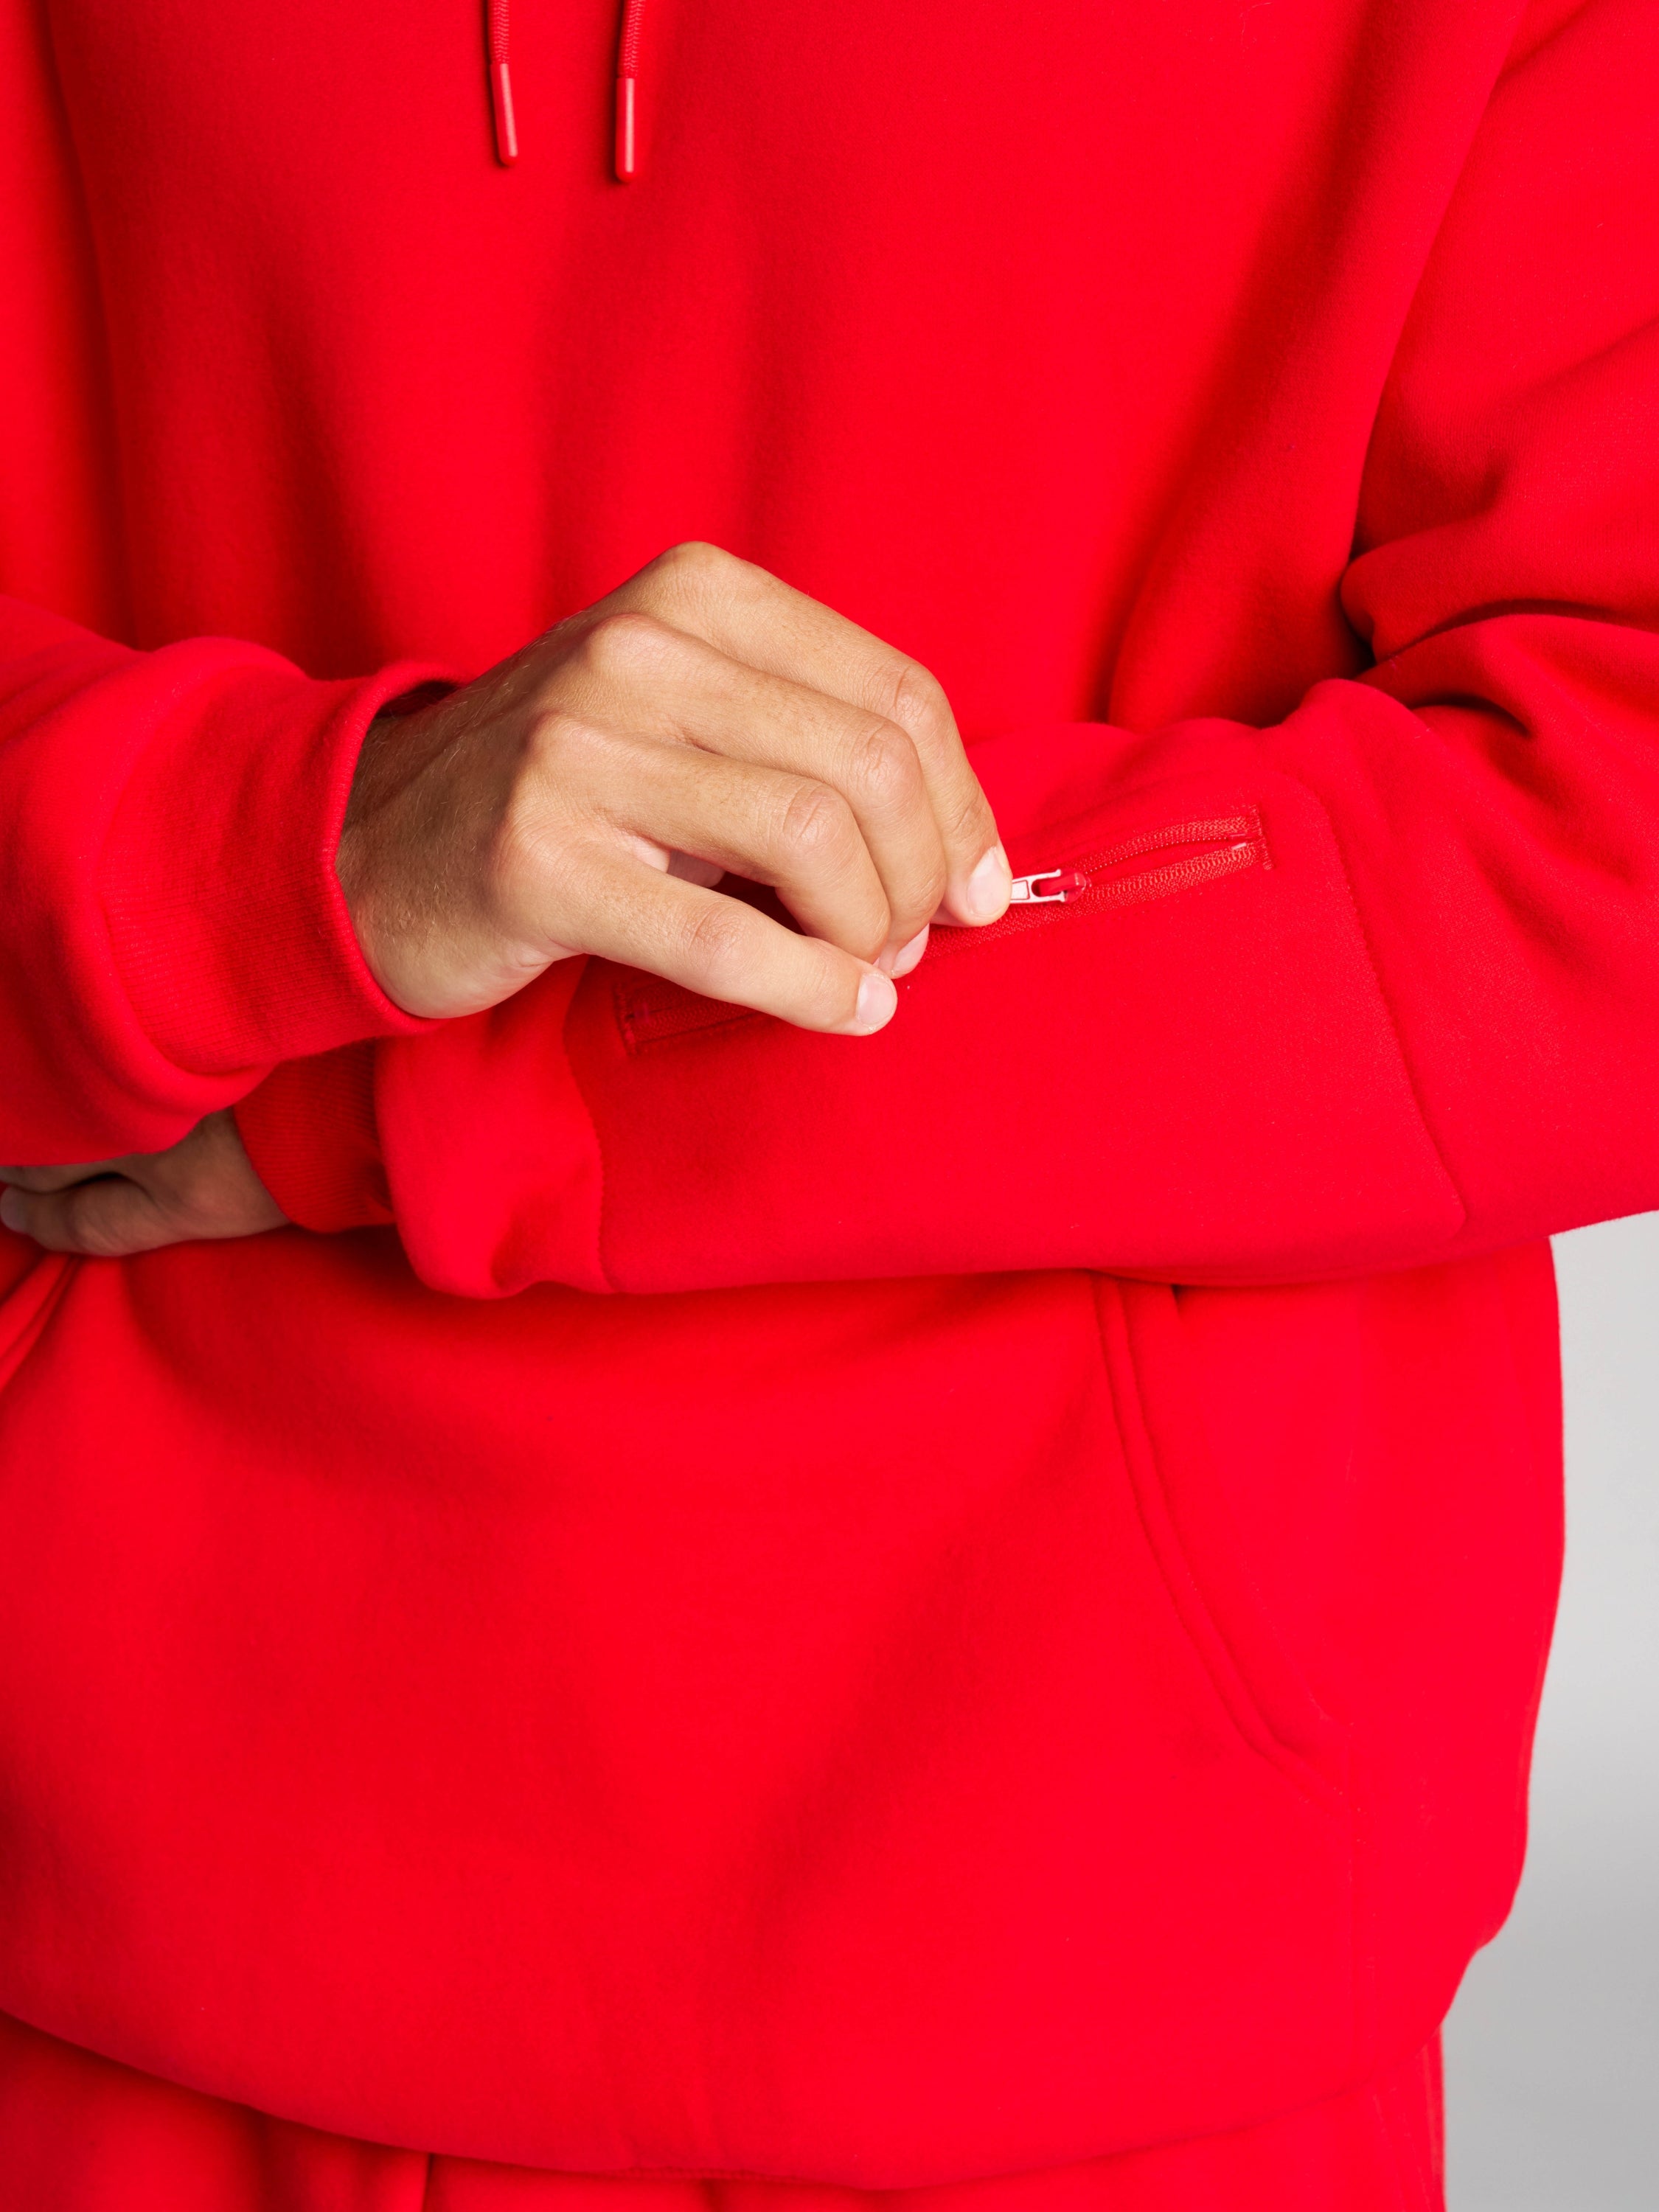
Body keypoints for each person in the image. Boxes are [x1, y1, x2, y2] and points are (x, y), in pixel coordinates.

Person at [0, 0, 1652, 2202]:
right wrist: (274, 846)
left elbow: (1611, 841)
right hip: (108, 1834)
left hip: (1085, 1907)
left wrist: (423, 1073)